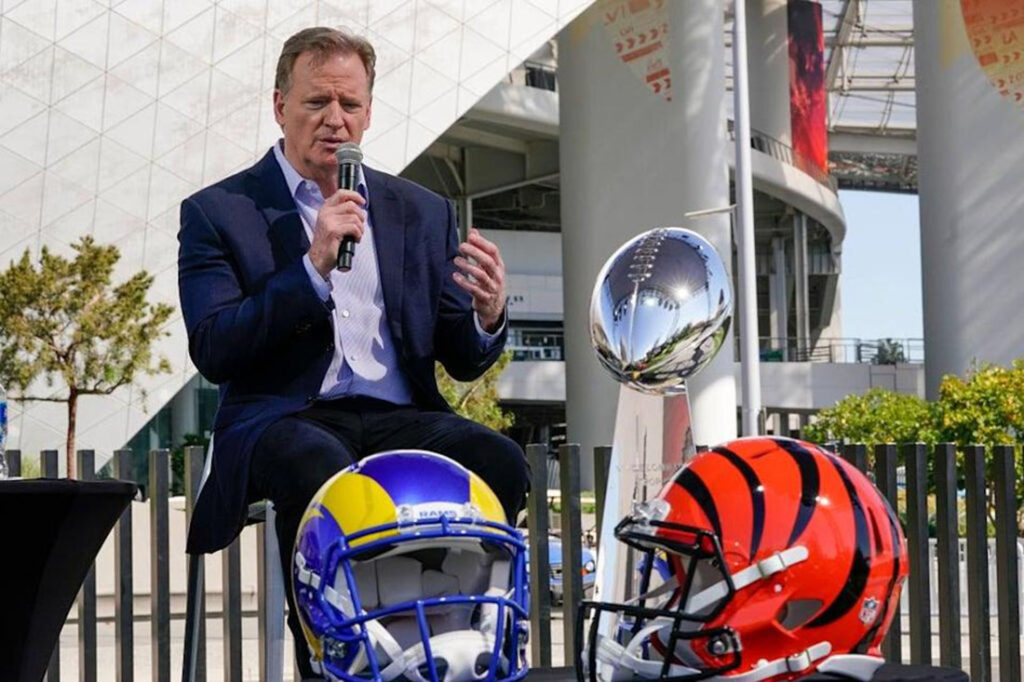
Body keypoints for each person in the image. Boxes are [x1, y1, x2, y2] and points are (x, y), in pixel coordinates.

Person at [177, 26, 529, 678]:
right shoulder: (220, 212)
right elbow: (216, 348)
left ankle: (464, 640)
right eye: (317, 103)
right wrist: (311, 268)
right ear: (280, 106)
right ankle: (327, 660)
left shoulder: (418, 211)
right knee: (320, 465)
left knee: (498, 462)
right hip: (284, 419)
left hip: (399, 413)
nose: (336, 120)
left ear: (368, 110)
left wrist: (487, 314)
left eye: (351, 104)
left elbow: (461, 357)